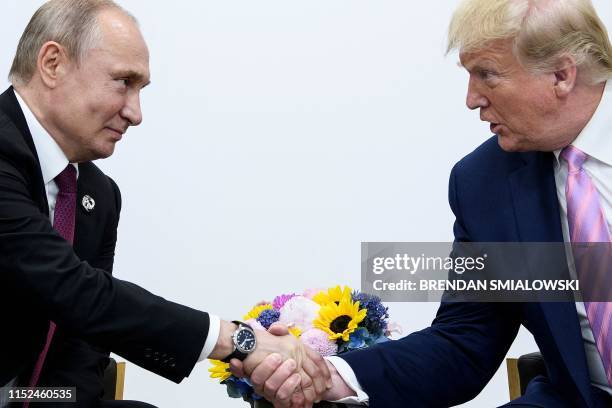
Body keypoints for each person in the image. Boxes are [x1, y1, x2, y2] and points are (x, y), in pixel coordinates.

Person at [235, 0, 612, 406]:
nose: (472, 99)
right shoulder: (486, 184)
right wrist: (328, 375)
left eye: (487, 74)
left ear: (561, 74)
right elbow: (464, 342)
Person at [0, 1, 329, 407]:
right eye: (123, 81)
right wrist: (236, 340)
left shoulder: (98, 195)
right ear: (52, 63)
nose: (135, 113)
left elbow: (82, 344)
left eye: (140, 90)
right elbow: (72, 289)